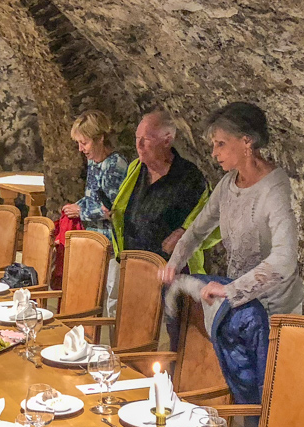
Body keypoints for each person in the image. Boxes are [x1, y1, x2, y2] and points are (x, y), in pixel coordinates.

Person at [161, 102, 304, 315]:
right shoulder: (228, 184)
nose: (213, 153)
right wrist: (174, 264)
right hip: (241, 307)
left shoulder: (275, 189)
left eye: (221, 144)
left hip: (275, 310)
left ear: (246, 141)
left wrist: (231, 290)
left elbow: (284, 259)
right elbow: (197, 230)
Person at [110, 111, 210, 267]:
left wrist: (184, 232)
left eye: (146, 139)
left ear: (167, 140)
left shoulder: (190, 177)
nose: (139, 145)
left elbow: (207, 219)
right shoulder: (136, 168)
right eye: (137, 138)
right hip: (132, 264)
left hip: (170, 270)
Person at [61, 110, 128, 314]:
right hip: (93, 238)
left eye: (84, 143)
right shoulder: (93, 162)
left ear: (100, 138)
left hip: (111, 242)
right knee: (90, 291)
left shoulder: (115, 165)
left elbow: (111, 210)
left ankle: (115, 333)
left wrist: (80, 211)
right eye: (79, 143)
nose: (80, 149)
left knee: (112, 296)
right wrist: (76, 206)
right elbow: (92, 197)